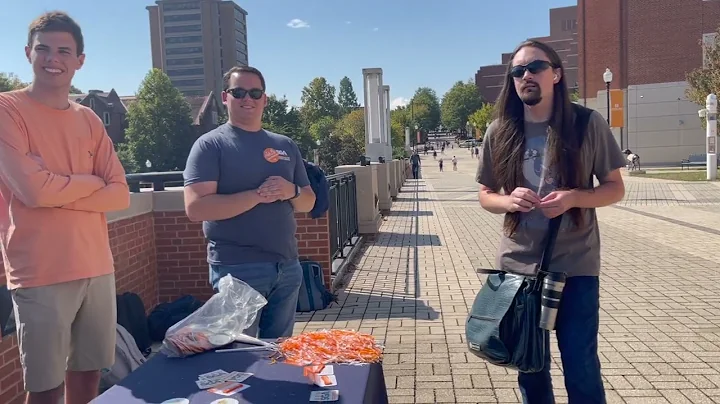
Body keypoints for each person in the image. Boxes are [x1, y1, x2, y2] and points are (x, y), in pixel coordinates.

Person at [475, 39, 626, 404]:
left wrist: (575, 197)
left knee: (581, 366)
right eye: (517, 71)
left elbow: (615, 189)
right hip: (518, 270)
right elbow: (485, 194)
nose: (525, 76)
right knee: (530, 368)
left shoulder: (587, 123)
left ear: (556, 74)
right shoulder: (500, 130)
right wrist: (508, 201)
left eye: (535, 67)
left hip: (575, 267)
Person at [0, 11, 130, 404]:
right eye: (43, 49)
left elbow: (121, 194)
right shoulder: (8, 110)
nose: (52, 58)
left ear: (80, 60)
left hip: (97, 265)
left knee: (89, 377)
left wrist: (56, 187)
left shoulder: (90, 119)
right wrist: (91, 184)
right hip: (39, 271)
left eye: (63, 50)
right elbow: (33, 192)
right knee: (45, 388)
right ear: (27, 53)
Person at [183, 66, 316, 339]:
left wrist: (290, 190)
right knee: (240, 355)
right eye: (239, 92)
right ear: (225, 97)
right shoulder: (211, 145)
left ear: (265, 99)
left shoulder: (286, 145)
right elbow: (196, 208)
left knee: (279, 352)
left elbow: (308, 203)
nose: (248, 99)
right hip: (238, 270)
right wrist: (257, 195)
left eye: (255, 92)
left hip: (287, 267)